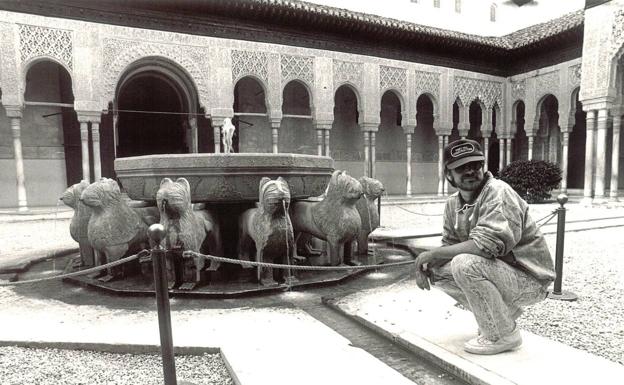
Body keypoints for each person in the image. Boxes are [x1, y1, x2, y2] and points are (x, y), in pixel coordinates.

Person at [414, 138, 555, 355]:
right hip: (502, 274)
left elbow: (485, 247)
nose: (470, 171)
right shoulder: (453, 203)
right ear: (449, 174)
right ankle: (503, 313)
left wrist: (433, 253)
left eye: (476, 165)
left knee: (465, 264)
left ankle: (503, 334)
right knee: (438, 271)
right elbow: (450, 244)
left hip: (530, 280)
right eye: (462, 167)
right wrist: (425, 266)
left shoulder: (498, 191)